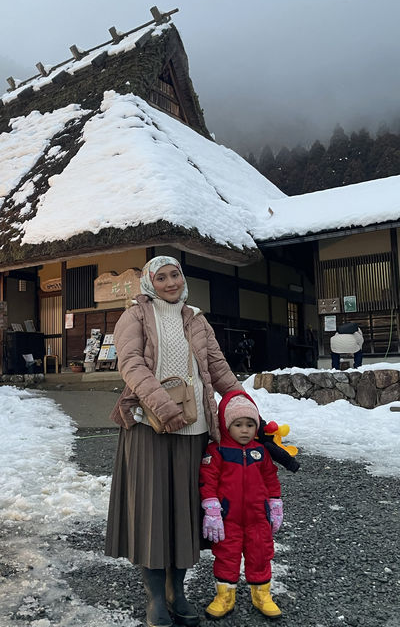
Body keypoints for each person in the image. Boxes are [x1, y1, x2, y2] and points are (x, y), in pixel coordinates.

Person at [104, 255, 244, 627]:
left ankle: (177, 592)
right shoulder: (133, 316)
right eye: (161, 277)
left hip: (193, 430)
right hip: (149, 427)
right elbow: (131, 364)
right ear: (150, 282)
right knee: (153, 513)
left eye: (175, 275)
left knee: (184, 513)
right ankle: (155, 599)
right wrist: (163, 407)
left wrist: (243, 403)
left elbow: (217, 367)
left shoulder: (196, 318)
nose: (171, 282)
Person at [199, 391, 283, 619]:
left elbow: (271, 478)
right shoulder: (217, 452)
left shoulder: (261, 452)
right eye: (238, 424)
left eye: (249, 424)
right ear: (226, 426)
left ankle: (262, 594)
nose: (245, 430)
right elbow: (208, 481)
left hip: (258, 519)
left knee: (261, 554)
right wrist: (212, 507)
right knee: (227, 556)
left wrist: (275, 504)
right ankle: (225, 597)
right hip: (229, 519)